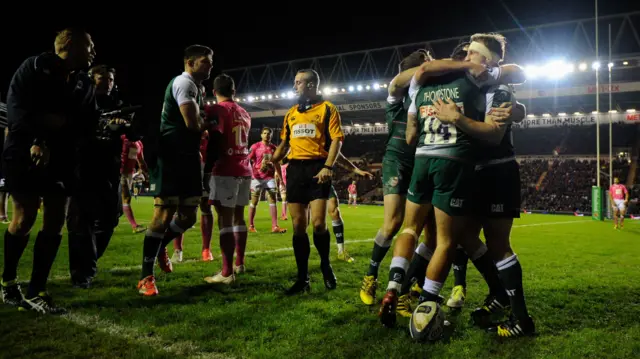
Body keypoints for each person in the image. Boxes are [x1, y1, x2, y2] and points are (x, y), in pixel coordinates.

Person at [378, 39, 525, 328]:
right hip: (471, 170)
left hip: (497, 171)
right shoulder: (468, 82)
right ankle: (495, 292)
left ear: (490, 61)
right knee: (463, 238)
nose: (467, 57)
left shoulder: (494, 85)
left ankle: (520, 317)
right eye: (467, 53)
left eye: (474, 54)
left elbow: (496, 130)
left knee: (496, 245)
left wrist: (459, 116)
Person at [1, 28, 97, 313]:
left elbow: (86, 122)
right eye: (89, 45)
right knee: (25, 216)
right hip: (24, 153)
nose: (94, 52)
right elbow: (18, 112)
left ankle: (36, 290)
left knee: (56, 220)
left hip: (64, 158)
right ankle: (8, 282)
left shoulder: (83, 82)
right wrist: (38, 139)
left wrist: (61, 126)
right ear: (69, 44)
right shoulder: (32, 68)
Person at [137, 44, 213, 296]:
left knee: (189, 215)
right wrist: (208, 122)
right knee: (163, 214)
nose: (210, 65)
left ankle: (159, 247)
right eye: (205, 61)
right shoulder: (184, 83)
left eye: (210, 61)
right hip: (171, 154)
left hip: (189, 156)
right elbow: (192, 124)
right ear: (190, 62)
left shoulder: (198, 88)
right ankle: (145, 276)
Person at [360, 50, 431, 306]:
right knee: (393, 222)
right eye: (428, 62)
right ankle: (370, 276)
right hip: (396, 160)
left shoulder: (427, 95)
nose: (433, 64)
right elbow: (397, 82)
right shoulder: (397, 95)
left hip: (421, 161)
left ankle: (403, 288)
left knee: (418, 229)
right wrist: (429, 69)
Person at [270, 69, 344, 295]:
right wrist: (274, 160)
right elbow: (284, 143)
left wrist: (327, 167)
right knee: (298, 226)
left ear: (311, 85)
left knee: (319, 224)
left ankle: (325, 264)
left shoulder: (328, 109)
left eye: (298, 82)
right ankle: (302, 278)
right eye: (294, 82)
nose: (295, 87)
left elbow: (337, 140)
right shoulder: (291, 113)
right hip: (295, 170)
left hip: (317, 168)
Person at [67, 64, 137, 289]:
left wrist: (125, 125)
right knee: (81, 221)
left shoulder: (118, 105)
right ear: (91, 79)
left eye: (110, 78)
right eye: (102, 78)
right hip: (84, 168)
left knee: (110, 218)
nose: (107, 82)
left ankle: (89, 260)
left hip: (110, 169)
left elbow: (135, 133)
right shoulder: (80, 101)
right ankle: (82, 274)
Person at [203, 74, 252, 284]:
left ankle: (226, 272)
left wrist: (206, 170)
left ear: (214, 92)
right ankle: (239, 264)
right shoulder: (245, 113)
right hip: (245, 168)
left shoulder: (216, 110)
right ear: (234, 91)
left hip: (225, 168)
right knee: (239, 218)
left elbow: (215, 138)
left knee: (225, 220)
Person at [247, 127, 287, 234]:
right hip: (257, 177)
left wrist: (281, 180)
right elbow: (247, 160)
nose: (267, 135)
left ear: (271, 135)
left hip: (269, 177)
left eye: (269, 133)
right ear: (261, 135)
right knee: (254, 201)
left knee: (273, 199)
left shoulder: (274, 148)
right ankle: (251, 225)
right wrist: (251, 172)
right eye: (264, 133)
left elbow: (277, 164)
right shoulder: (255, 146)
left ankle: (275, 226)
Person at [121, 130, 148, 234]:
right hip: (120, 172)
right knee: (126, 198)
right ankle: (134, 226)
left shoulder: (138, 143)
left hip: (129, 174)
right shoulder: (123, 138)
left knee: (125, 199)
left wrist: (145, 175)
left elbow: (141, 161)